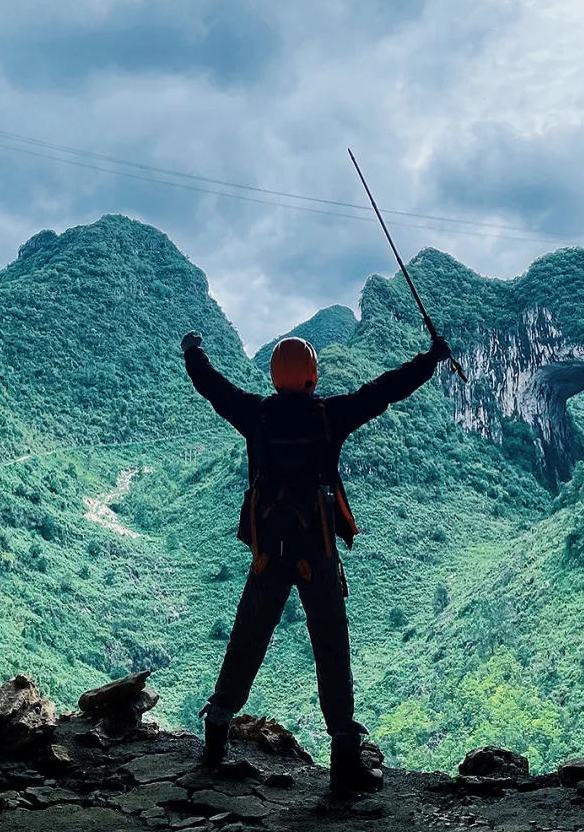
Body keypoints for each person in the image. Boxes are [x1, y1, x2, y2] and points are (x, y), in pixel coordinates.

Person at [180, 326, 454, 794]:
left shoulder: (256, 414)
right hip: (317, 550)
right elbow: (384, 390)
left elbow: (213, 388)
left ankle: (216, 735)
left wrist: (193, 352)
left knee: (249, 636)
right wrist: (431, 359)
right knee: (330, 646)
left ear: (273, 376)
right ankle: (345, 759)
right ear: (312, 375)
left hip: (269, 553)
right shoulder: (330, 415)